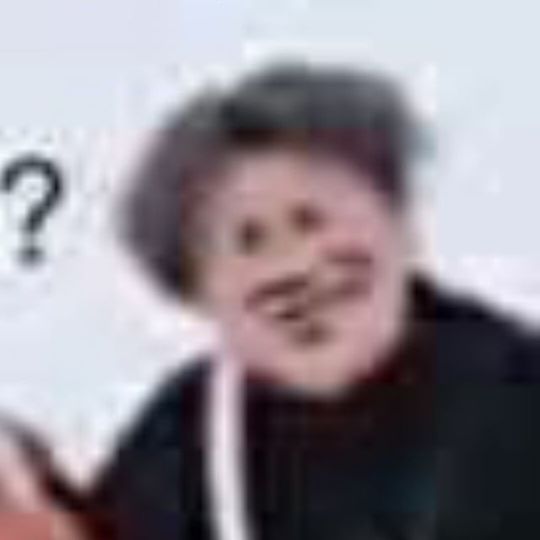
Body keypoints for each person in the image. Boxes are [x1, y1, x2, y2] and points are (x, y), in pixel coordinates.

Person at [5, 60, 539, 540]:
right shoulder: (183, 442)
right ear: (196, 292)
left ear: (398, 223)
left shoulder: (515, 387)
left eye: (311, 221)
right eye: (250, 242)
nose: (295, 266)